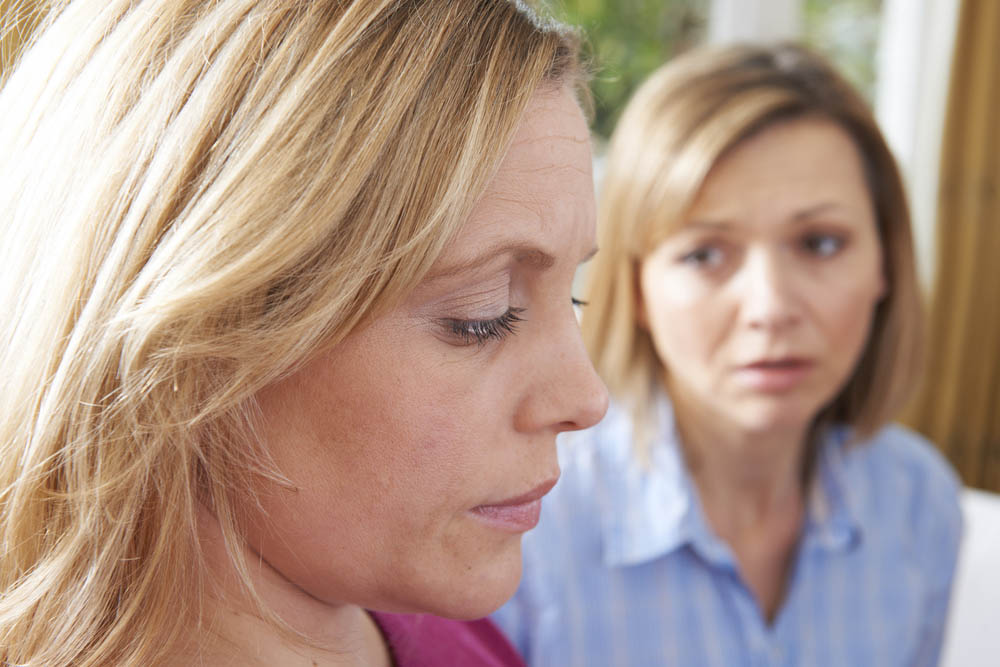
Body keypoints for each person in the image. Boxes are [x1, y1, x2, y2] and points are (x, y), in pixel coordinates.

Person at [0, 1, 609, 665]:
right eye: (482, 314)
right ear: (197, 333)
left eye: (572, 294)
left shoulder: (461, 642)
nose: (585, 398)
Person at [493, 43, 963, 667]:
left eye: (820, 243)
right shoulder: (525, 532)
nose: (770, 307)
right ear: (636, 288)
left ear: (886, 267)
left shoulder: (919, 501)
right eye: (705, 254)